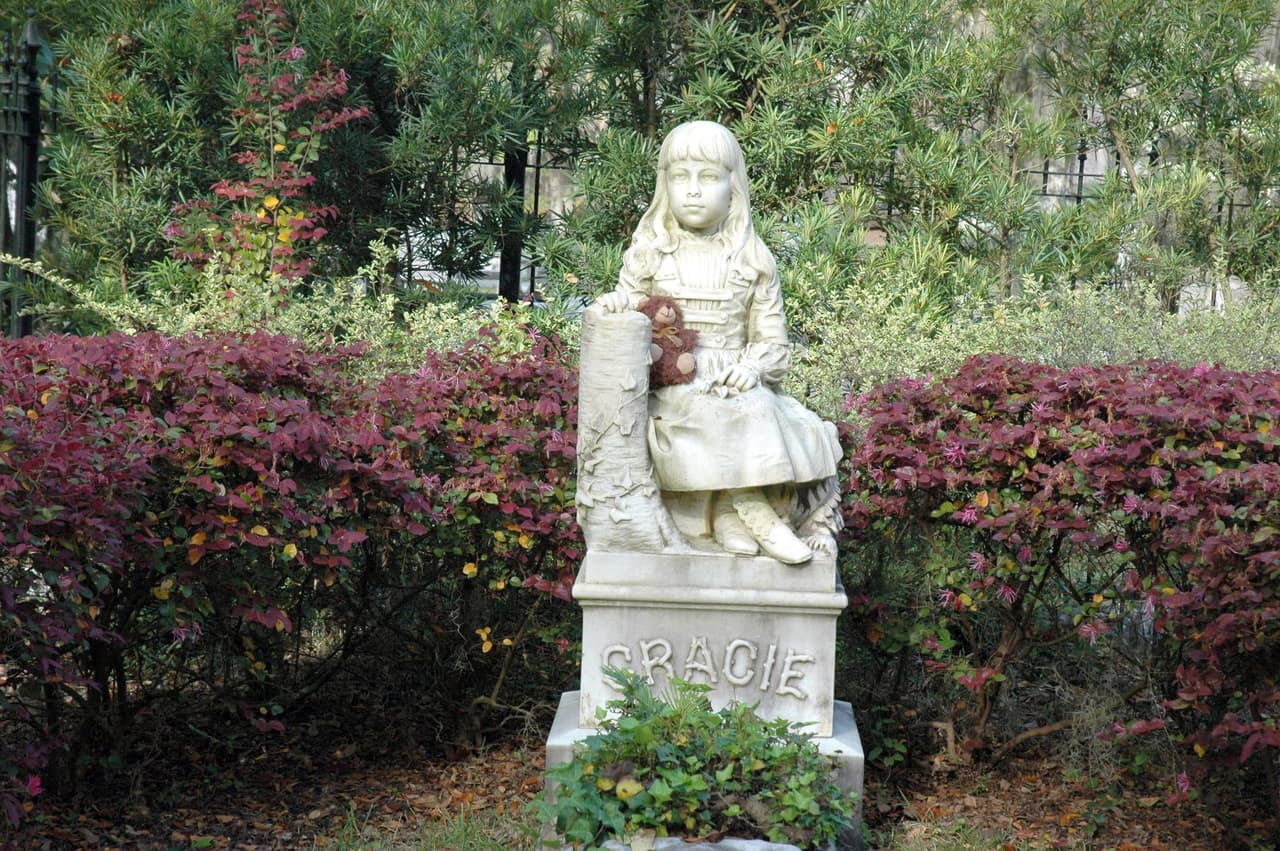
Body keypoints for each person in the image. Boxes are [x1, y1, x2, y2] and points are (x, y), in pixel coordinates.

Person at [594, 120, 841, 565]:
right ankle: (744, 508)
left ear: (734, 186)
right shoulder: (650, 252)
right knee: (711, 410)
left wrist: (751, 368)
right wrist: (618, 303)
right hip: (675, 377)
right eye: (680, 177)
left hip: (736, 376)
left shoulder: (752, 259)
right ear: (663, 184)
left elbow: (774, 343)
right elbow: (631, 307)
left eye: (708, 177)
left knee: (766, 410)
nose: (692, 190)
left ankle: (735, 509)